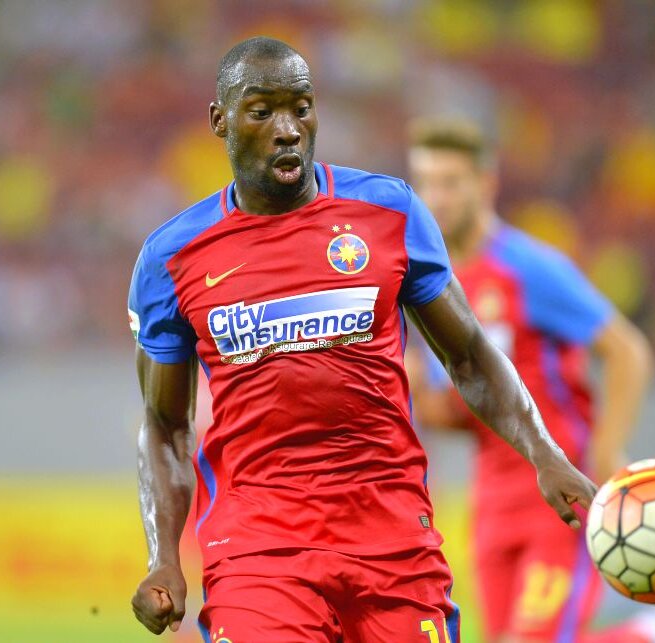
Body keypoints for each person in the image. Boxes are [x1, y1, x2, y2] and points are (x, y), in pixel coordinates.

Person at [126, 37, 596, 642]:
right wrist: (163, 555)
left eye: (301, 108)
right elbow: (165, 424)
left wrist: (544, 452)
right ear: (220, 121)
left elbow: (470, 357)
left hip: (393, 540)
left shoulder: (388, 213)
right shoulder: (172, 257)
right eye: (261, 111)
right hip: (259, 549)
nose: (288, 129)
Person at [406, 119, 655, 643]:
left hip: (560, 493)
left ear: (486, 183)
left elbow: (628, 351)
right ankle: (649, 635)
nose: (436, 197)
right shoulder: (433, 288)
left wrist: (606, 449)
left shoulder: (528, 267)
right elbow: (463, 415)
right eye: (426, 183)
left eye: (451, 182)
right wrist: (420, 391)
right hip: (491, 502)